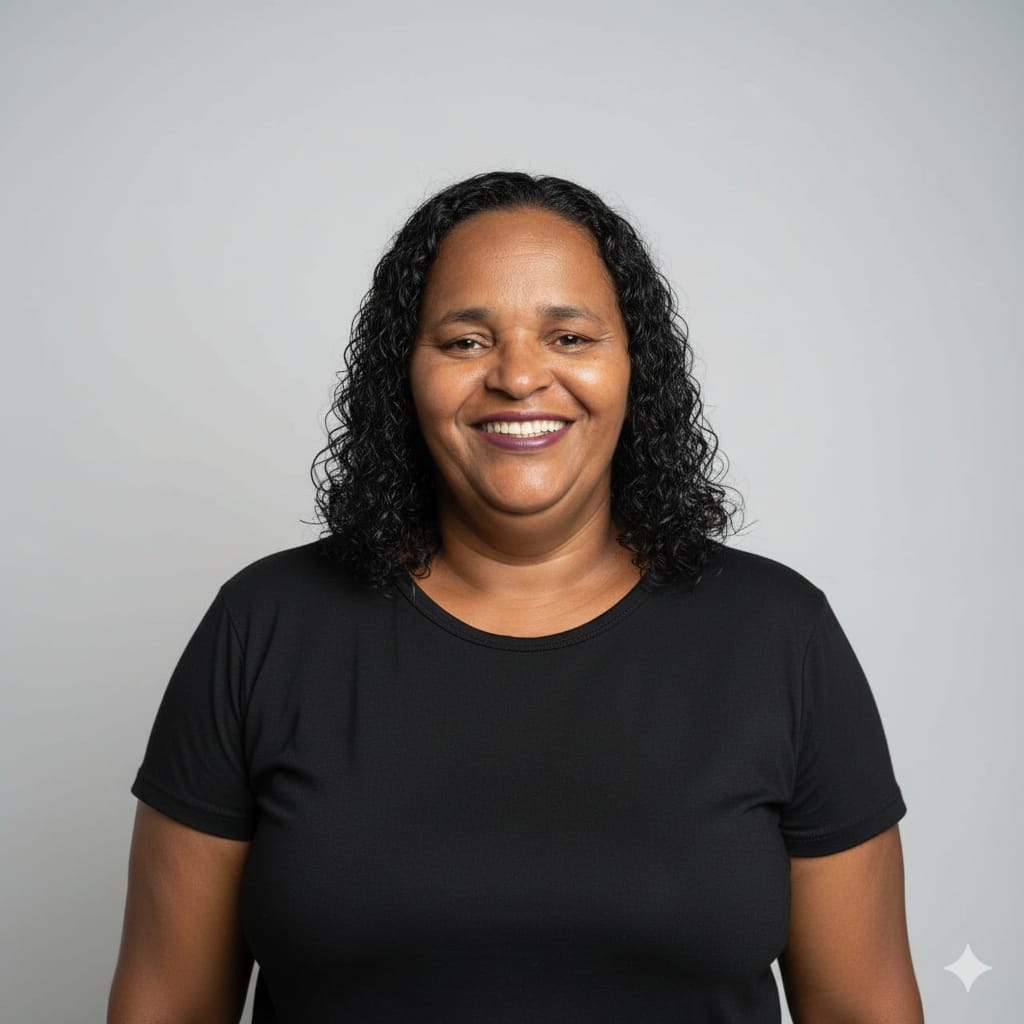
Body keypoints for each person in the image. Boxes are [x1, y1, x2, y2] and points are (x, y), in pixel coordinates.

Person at [108, 171, 924, 1023]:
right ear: (404, 373)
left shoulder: (779, 635)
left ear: (633, 366)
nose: (520, 376)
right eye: (466, 341)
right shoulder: (263, 626)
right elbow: (168, 1004)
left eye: (569, 336)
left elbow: (863, 1007)